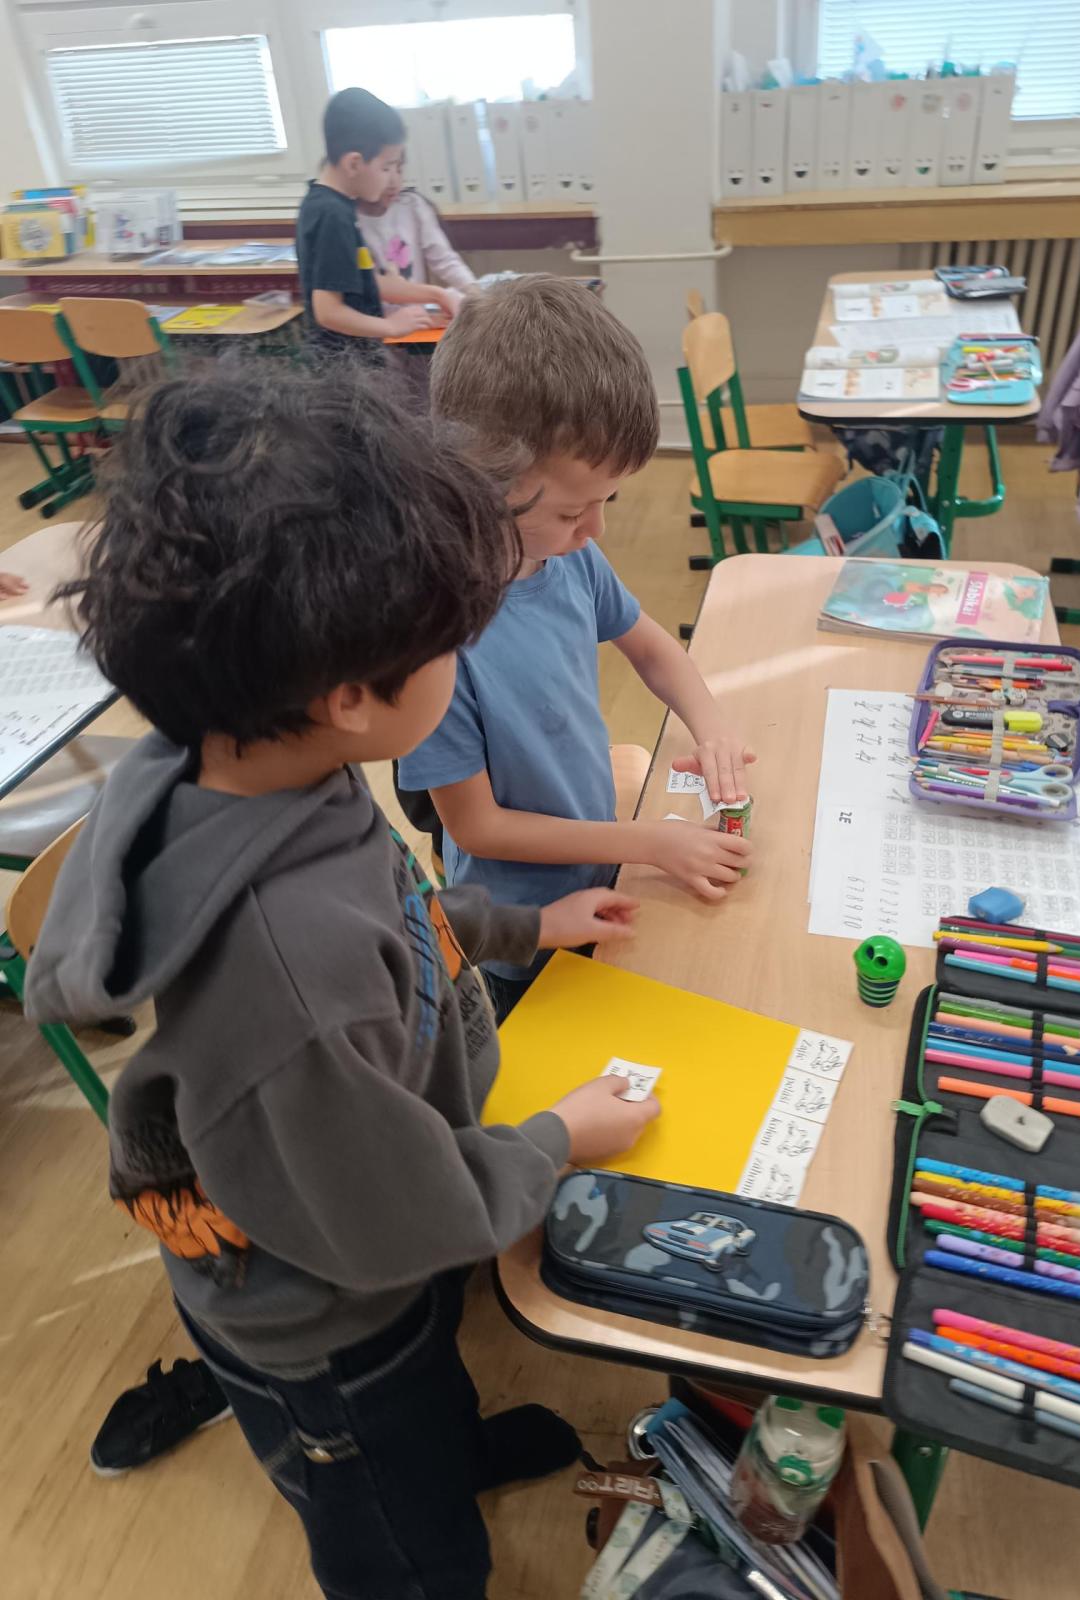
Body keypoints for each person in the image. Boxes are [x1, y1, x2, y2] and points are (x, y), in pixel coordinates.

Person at [23, 360, 659, 1600]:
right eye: (452, 642)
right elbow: (400, 1217)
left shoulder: (264, 759)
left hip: (365, 1216)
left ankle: (443, 1455)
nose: (466, 652)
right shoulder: (290, 975)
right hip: (330, 1324)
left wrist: (524, 924)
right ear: (351, 695)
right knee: (402, 1538)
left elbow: (398, 907)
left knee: (429, 1396)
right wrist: (557, 1139)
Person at [396, 275, 756, 1023]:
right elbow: (478, 827)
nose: (597, 530)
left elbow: (651, 648)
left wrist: (712, 725)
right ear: (479, 477)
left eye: (607, 502)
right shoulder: (435, 634)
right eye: (571, 510)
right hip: (522, 927)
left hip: (600, 866)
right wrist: (650, 843)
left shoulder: (565, 558)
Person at [297, 87, 460, 353]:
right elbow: (328, 311)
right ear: (354, 164)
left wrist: (438, 294)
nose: (391, 180)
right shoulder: (332, 215)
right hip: (344, 365)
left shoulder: (336, 205)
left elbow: (364, 283)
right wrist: (391, 326)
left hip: (358, 357)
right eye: (386, 167)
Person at [357, 129, 477, 312]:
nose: (394, 182)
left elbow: (443, 259)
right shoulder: (348, 219)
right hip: (378, 323)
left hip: (417, 318)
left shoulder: (412, 205)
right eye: (385, 169)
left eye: (399, 170)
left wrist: (474, 291)